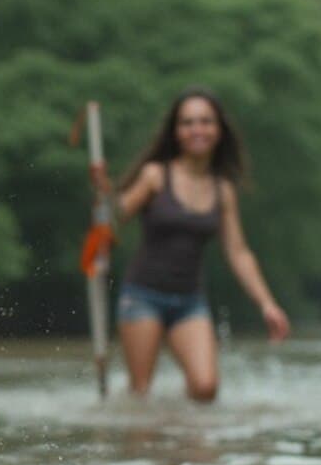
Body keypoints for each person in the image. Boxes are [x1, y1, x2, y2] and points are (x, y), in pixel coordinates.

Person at [90, 88, 289, 401]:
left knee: (206, 388)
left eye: (205, 121)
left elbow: (238, 252)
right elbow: (115, 219)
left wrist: (267, 304)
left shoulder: (223, 190)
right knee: (140, 394)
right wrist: (104, 192)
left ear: (219, 130)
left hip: (189, 301)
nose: (197, 129)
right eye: (188, 122)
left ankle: (181, 428)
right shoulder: (156, 176)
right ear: (176, 131)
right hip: (142, 296)